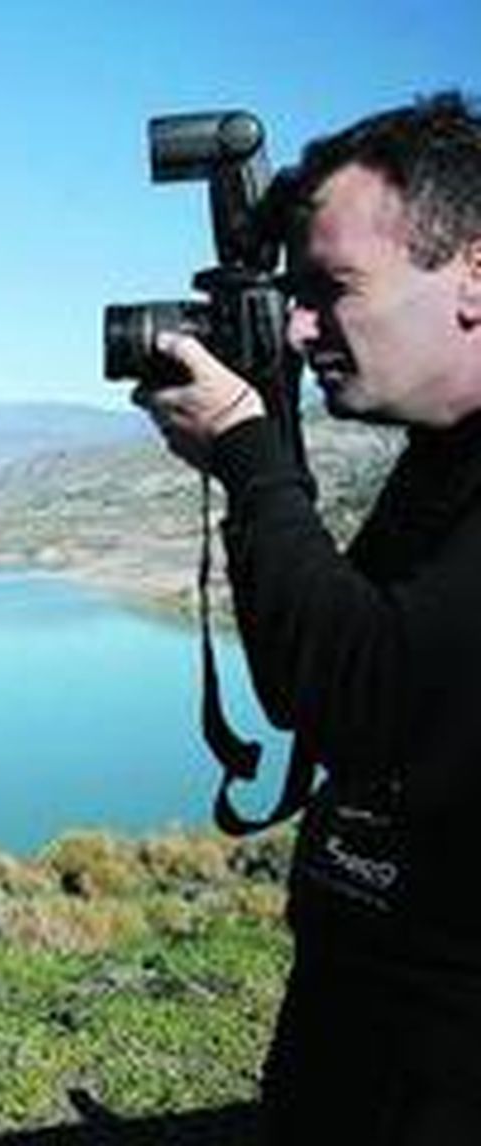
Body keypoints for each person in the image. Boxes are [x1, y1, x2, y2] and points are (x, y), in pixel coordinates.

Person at [135, 92, 481, 1143]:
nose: (298, 325)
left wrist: (249, 453)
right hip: (366, 1001)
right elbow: (306, 690)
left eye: (331, 290)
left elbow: (371, 699)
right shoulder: (442, 461)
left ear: (473, 273)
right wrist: (258, 467)